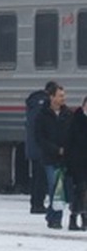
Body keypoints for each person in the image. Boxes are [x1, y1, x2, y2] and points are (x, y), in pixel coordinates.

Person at [35, 83, 73, 229]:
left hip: (65, 157)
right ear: (52, 97)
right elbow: (39, 137)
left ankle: (52, 216)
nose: (64, 98)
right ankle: (55, 218)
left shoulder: (68, 114)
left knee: (61, 189)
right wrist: (56, 150)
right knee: (54, 188)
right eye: (60, 96)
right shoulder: (42, 115)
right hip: (50, 158)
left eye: (64, 96)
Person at [25, 81, 58, 214]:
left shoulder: (34, 104)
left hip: (34, 147)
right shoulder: (44, 107)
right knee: (41, 178)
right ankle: (37, 205)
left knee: (37, 177)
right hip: (42, 148)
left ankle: (36, 203)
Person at [64, 96, 87, 231]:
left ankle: (82, 217)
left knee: (83, 191)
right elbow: (71, 141)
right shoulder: (76, 120)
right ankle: (75, 217)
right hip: (78, 162)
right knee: (81, 190)